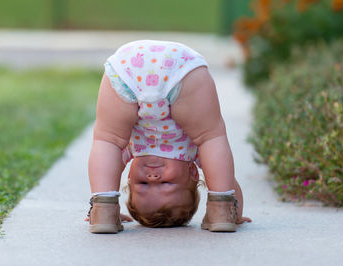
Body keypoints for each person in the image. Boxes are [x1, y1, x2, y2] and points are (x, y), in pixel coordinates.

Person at [87, 40, 251, 233]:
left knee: (109, 139)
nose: (153, 176)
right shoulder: (195, 154)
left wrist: (101, 196)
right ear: (192, 172)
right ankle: (221, 209)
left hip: (128, 70)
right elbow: (227, 178)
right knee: (209, 137)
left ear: (129, 175)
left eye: (143, 183)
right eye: (165, 183)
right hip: (181, 70)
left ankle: (104, 207)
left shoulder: (130, 150)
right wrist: (236, 212)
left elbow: (105, 163)